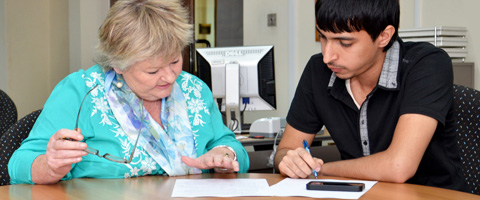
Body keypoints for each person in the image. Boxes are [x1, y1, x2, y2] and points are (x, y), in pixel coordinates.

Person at [9, 0, 249, 185]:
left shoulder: (194, 89)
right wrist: (50, 166)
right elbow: (18, 164)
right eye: (153, 71)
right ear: (118, 65)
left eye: (175, 61)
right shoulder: (81, 91)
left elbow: (229, 145)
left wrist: (224, 156)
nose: (169, 77)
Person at [274, 0, 467, 192]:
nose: (327, 56)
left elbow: (399, 167)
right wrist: (290, 161)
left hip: (432, 196)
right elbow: (285, 149)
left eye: (344, 43)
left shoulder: (427, 64)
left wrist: (319, 169)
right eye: (323, 37)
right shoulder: (318, 71)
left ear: (384, 36)